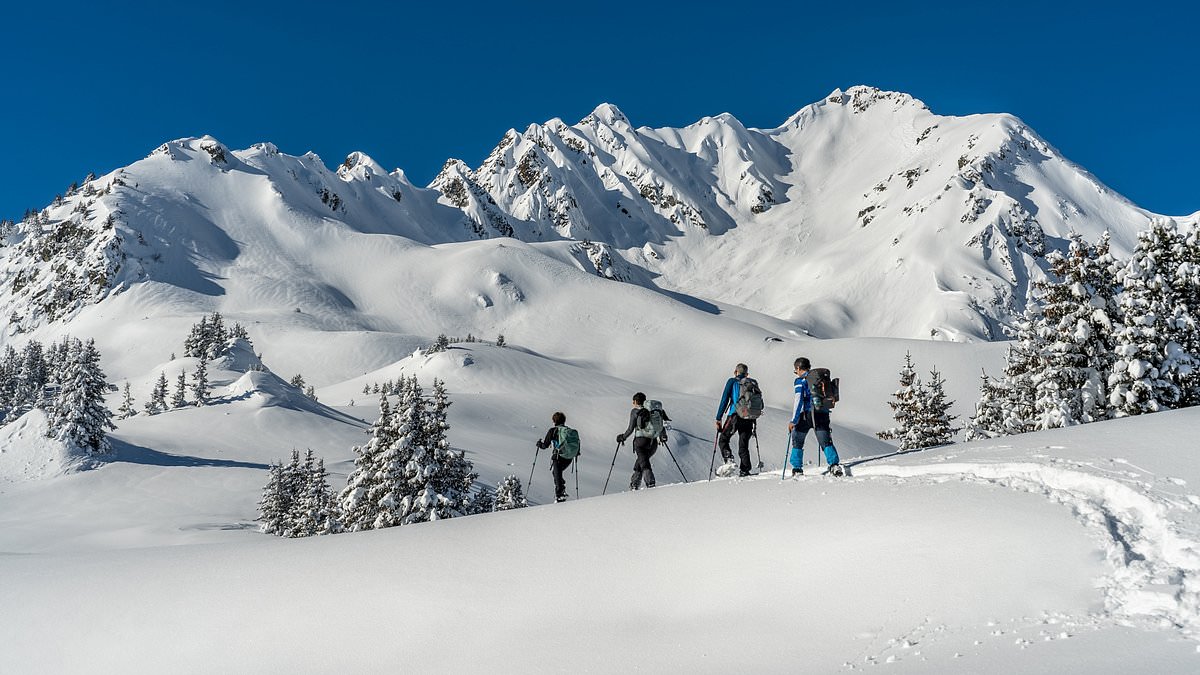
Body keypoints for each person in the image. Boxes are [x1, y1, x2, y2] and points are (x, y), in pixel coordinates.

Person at [788, 357, 843, 477]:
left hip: (806, 415)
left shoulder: (800, 381)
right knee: (825, 440)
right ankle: (834, 465)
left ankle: (797, 468)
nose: (796, 372)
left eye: (795, 370)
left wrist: (794, 420)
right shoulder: (819, 379)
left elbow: (798, 401)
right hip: (822, 413)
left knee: (797, 441)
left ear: (798, 368)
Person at [715, 363, 755, 476]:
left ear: (735, 372)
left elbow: (724, 400)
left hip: (734, 415)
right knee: (743, 444)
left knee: (723, 439)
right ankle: (745, 470)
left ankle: (728, 459)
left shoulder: (732, 381)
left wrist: (718, 418)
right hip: (749, 417)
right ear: (747, 374)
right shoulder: (752, 383)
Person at [616, 392, 657, 490]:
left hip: (641, 442)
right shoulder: (652, 410)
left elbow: (630, 429)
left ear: (635, 401)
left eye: (633, 401)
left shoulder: (635, 411)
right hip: (653, 442)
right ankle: (634, 484)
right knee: (641, 461)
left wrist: (623, 437)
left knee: (644, 463)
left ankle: (650, 483)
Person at [536, 411, 576, 502]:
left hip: (558, 457)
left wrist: (539, 444)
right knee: (556, 473)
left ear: (554, 421)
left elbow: (545, 445)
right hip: (569, 457)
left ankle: (560, 495)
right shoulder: (569, 431)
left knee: (557, 475)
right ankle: (561, 491)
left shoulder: (553, 430)